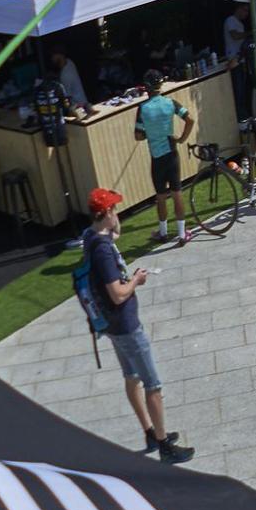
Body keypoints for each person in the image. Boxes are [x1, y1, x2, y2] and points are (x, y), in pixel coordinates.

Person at [82, 188, 196, 462]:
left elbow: (115, 234)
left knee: (131, 376)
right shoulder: (104, 254)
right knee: (153, 384)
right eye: (114, 210)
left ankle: (149, 431)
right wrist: (136, 280)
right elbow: (117, 293)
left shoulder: (90, 237)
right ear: (107, 213)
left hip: (112, 325)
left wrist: (112, 223)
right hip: (126, 325)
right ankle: (164, 444)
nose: (117, 214)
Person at [129, 71, 194, 246]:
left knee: (160, 196)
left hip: (156, 156)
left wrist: (150, 133)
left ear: (146, 88)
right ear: (161, 85)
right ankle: (182, 234)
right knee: (177, 192)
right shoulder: (170, 103)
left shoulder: (142, 108)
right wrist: (181, 139)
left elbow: (138, 136)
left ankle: (163, 233)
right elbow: (190, 120)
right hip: (172, 153)